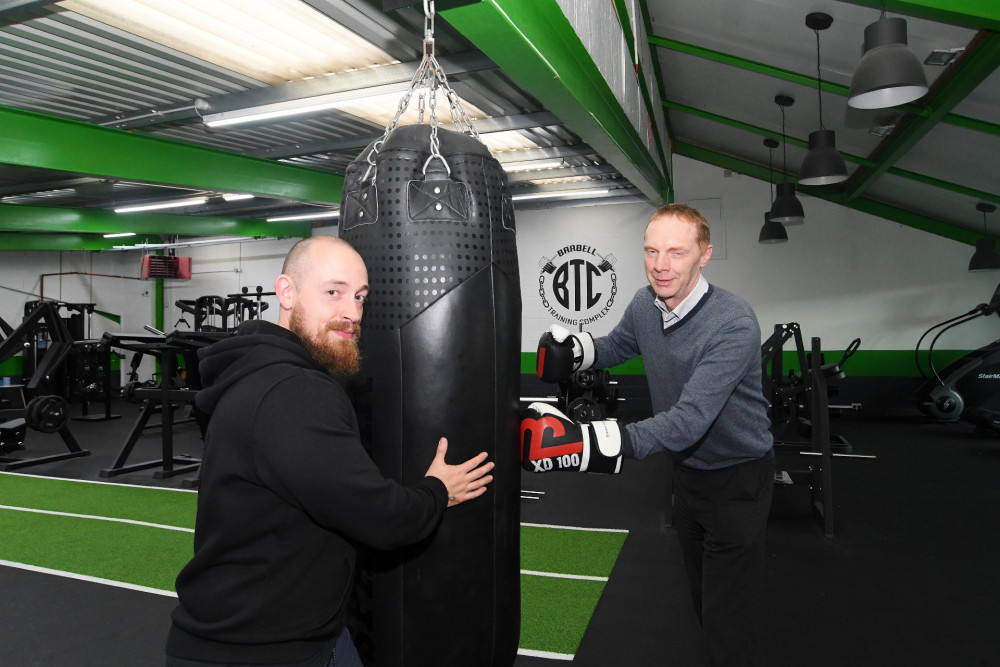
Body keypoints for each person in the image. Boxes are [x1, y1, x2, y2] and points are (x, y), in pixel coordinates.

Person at [166, 235, 495, 667]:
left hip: (283, 635)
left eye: (360, 297)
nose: (352, 313)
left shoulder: (254, 375)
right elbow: (381, 518)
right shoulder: (295, 393)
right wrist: (438, 489)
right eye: (333, 292)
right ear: (286, 292)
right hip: (261, 652)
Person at [522, 203, 774, 667]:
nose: (661, 265)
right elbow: (620, 344)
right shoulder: (644, 302)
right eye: (652, 251)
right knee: (702, 596)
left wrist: (590, 443)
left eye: (677, 253)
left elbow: (689, 420)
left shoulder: (733, 322)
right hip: (688, 476)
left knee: (727, 619)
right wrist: (578, 350)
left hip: (738, 479)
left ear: (705, 255)